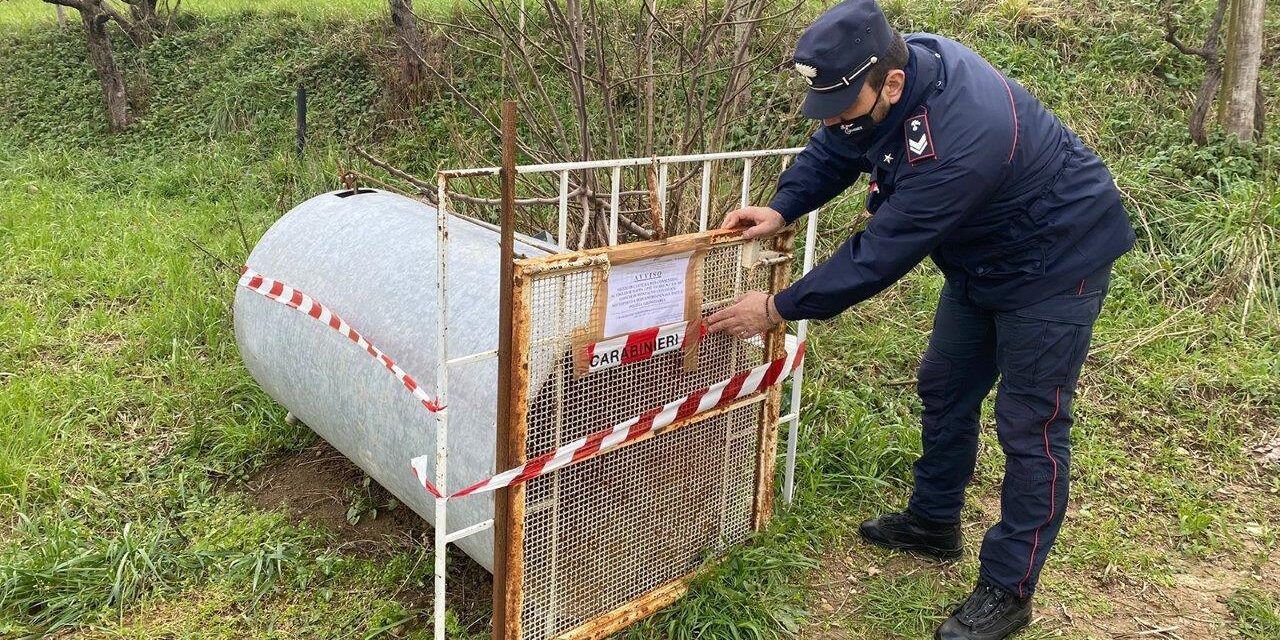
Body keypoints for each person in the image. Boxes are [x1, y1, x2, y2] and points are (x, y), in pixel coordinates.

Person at [705, 1, 1135, 638]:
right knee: (945, 384)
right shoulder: (892, 73)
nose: (836, 118)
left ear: (893, 84)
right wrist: (784, 206)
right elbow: (837, 144)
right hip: (982, 258)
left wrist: (776, 308)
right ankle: (934, 521)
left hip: (1056, 261)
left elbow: (880, 254)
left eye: (845, 105)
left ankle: (1008, 591)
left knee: (1031, 425)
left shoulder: (961, 139)